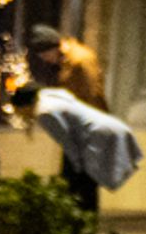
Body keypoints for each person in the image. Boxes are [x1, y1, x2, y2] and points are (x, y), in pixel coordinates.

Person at [20, 24, 112, 216]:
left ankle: (83, 223)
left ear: (53, 47)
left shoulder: (80, 61)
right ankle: (78, 223)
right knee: (74, 179)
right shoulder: (67, 62)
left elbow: (93, 95)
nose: (45, 60)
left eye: (45, 55)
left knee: (82, 181)